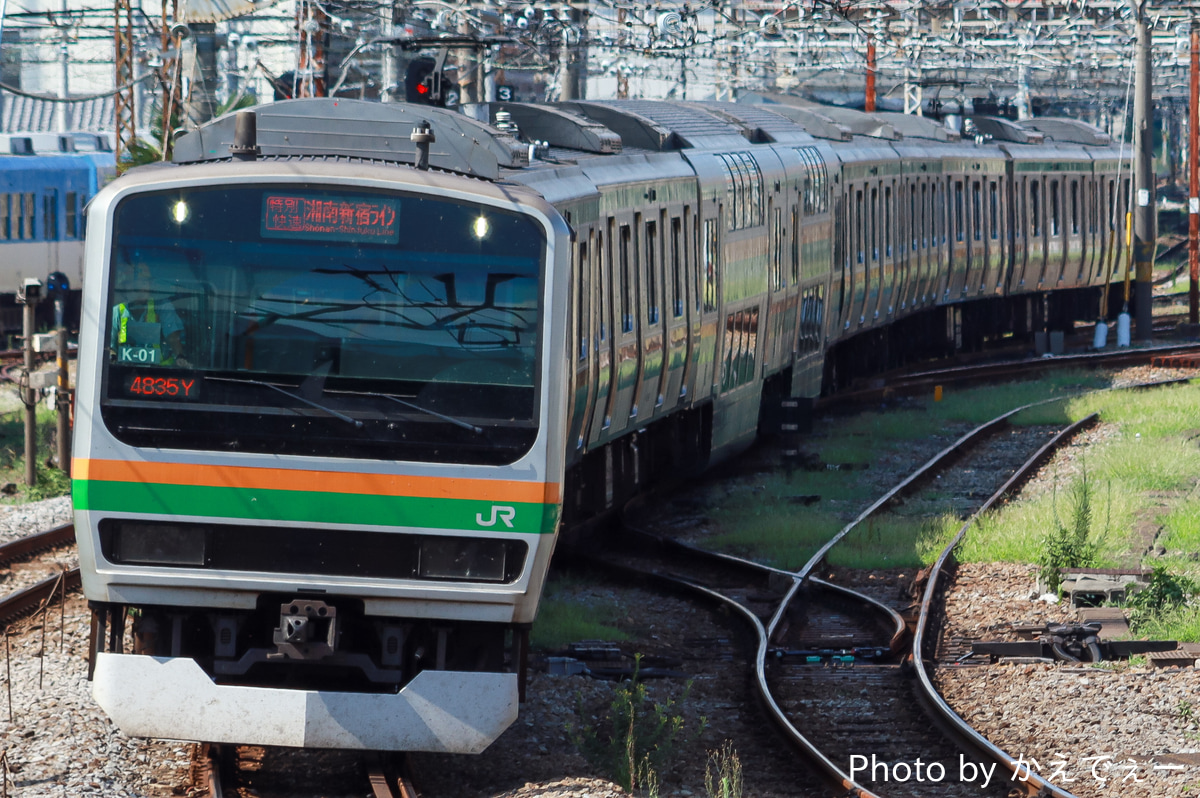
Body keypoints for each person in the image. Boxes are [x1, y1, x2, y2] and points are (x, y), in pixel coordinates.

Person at [110, 258, 190, 367]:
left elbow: (173, 337)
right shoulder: (117, 311)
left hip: (159, 374)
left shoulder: (162, 307)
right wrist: (111, 357)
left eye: (143, 283)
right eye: (134, 284)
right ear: (125, 287)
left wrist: (180, 356)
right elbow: (110, 346)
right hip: (126, 372)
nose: (140, 288)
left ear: (149, 285)